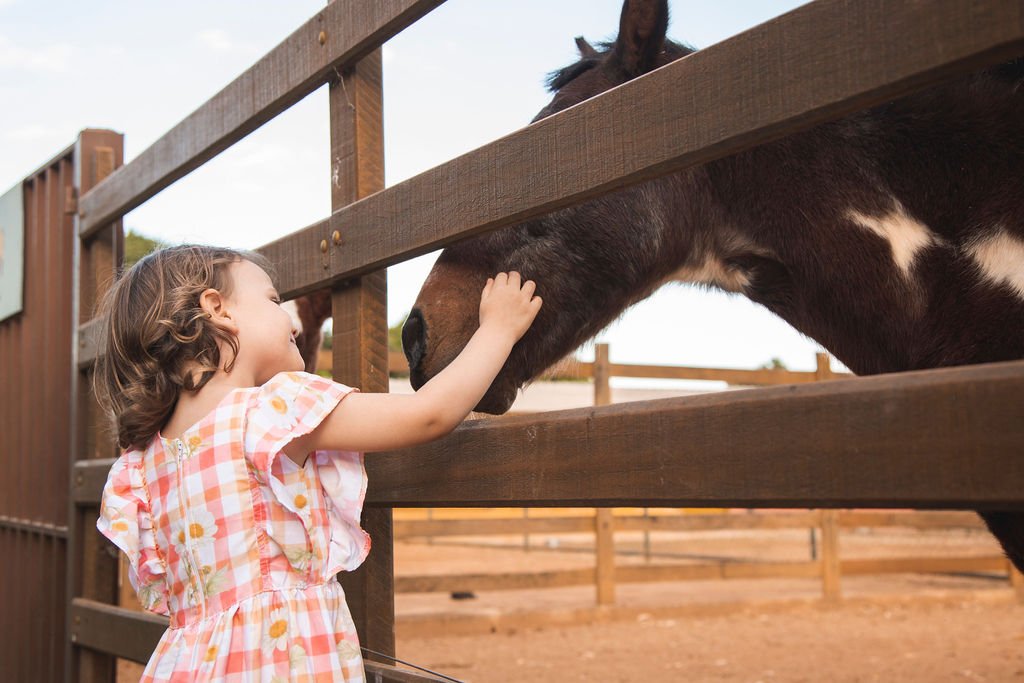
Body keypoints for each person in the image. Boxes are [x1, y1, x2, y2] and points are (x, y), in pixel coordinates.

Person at [94, 244, 542, 682]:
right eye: (273, 300)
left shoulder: (140, 467)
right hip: (283, 657)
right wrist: (498, 329)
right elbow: (428, 414)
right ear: (218, 310)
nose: (288, 317)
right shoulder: (273, 409)